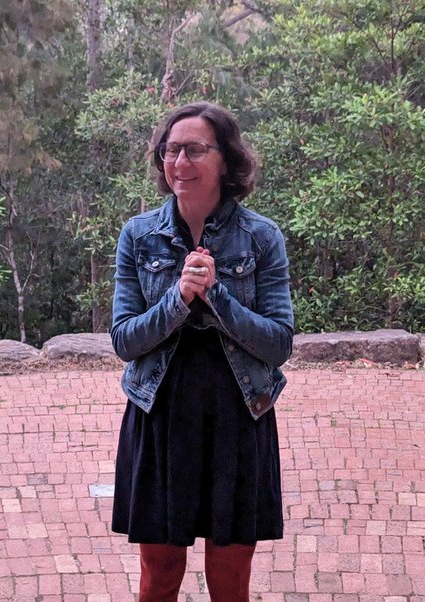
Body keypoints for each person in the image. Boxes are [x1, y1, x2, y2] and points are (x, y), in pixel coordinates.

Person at [110, 101, 294, 602]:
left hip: (237, 413)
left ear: (226, 159)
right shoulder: (138, 236)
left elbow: (279, 342)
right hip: (160, 412)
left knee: (230, 579)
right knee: (160, 573)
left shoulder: (261, 237)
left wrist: (217, 295)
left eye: (194, 150)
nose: (179, 162)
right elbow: (124, 339)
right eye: (170, 150)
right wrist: (179, 298)